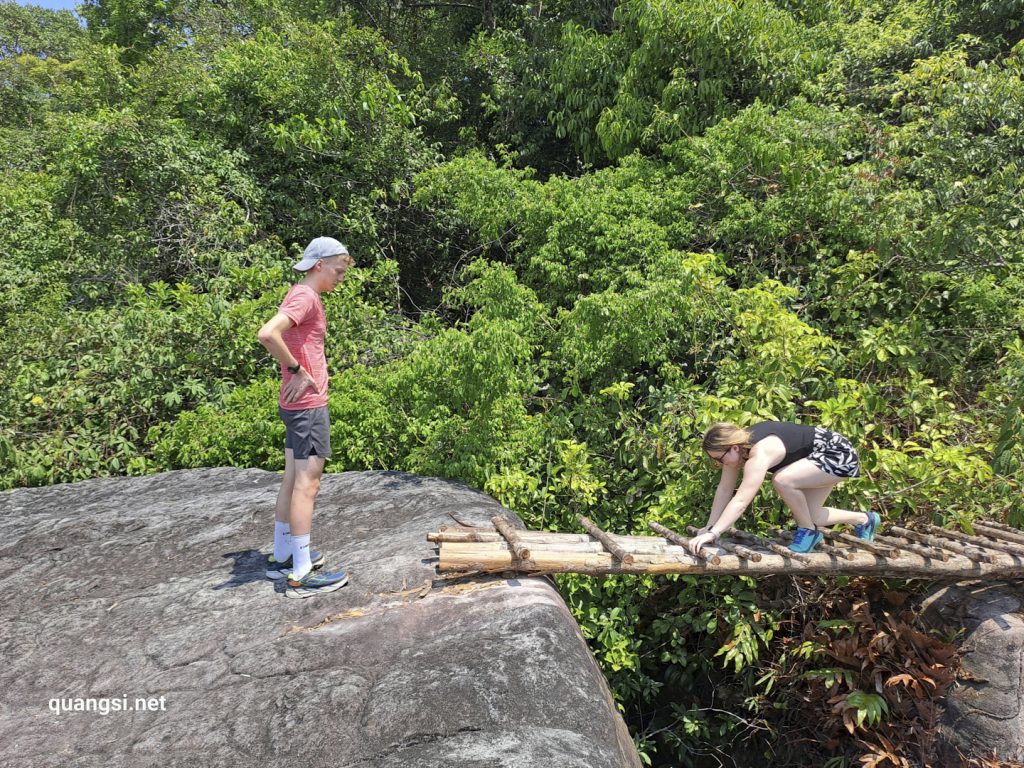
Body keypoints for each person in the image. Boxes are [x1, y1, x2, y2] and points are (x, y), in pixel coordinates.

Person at [257, 236, 354, 594]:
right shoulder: (305, 296)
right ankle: (301, 572)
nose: (341, 278)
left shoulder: (301, 293)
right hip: (308, 407)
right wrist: (297, 369)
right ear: (320, 265)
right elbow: (267, 333)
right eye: (338, 270)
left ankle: (284, 555)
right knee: (307, 485)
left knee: (291, 478)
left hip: (296, 406)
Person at [688, 421, 880, 555]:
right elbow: (724, 490)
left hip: (838, 453)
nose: (720, 464)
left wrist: (715, 533)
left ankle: (808, 532)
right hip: (816, 457)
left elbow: (740, 501)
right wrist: (710, 527)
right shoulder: (734, 452)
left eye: (719, 459)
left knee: (782, 480)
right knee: (811, 514)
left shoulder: (759, 453)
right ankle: (864, 520)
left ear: (734, 448)